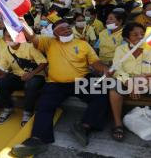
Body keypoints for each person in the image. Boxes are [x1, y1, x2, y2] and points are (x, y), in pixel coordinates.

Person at [11, 19, 110, 157]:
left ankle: (84, 127)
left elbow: (95, 62)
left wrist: (104, 69)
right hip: (56, 83)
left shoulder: (83, 44)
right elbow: (32, 37)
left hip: (81, 80)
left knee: (102, 95)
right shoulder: (49, 42)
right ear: (55, 34)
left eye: (68, 27)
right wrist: (23, 23)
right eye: (62, 29)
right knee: (44, 104)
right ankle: (37, 140)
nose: (67, 30)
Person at [0, 30, 47, 126]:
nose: (11, 38)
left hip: (36, 75)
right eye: (8, 36)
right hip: (17, 75)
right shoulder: (5, 51)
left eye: (14, 36)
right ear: (4, 38)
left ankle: (27, 112)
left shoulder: (29, 47)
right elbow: (0, 72)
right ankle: (8, 107)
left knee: (31, 85)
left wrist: (31, 74)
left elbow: (44, 62)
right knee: (0, 83)